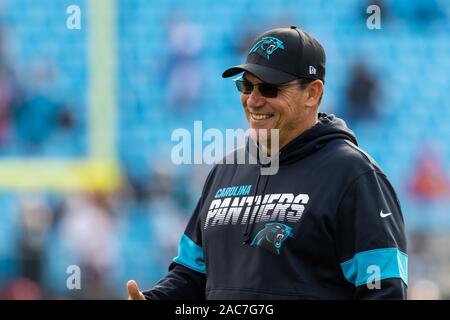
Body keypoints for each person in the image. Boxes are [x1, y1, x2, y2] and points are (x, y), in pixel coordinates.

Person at [127, 26, 407, 299]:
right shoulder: (225, 171)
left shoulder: (354, 175)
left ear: (312, 93)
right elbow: (192, 273)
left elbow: (383, 291)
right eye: (246, 86)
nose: (253, 100)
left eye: (270, 89)